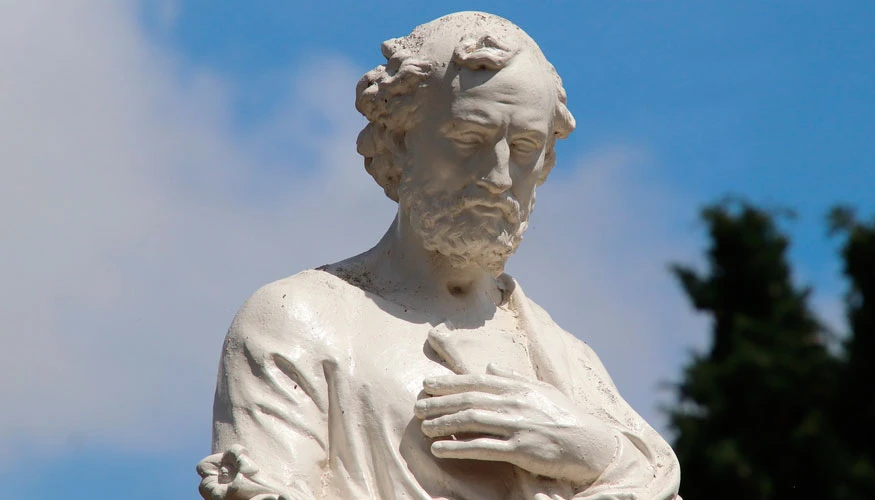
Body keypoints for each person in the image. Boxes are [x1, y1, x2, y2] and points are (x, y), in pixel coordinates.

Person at [197, 12, 681, 500]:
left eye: (523, 147)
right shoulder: (301, 320)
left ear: (546, 162)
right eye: (468, 139)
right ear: (399, 141)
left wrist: (592, 452)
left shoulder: (570, 363)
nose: (497, 177)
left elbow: (652, 478)